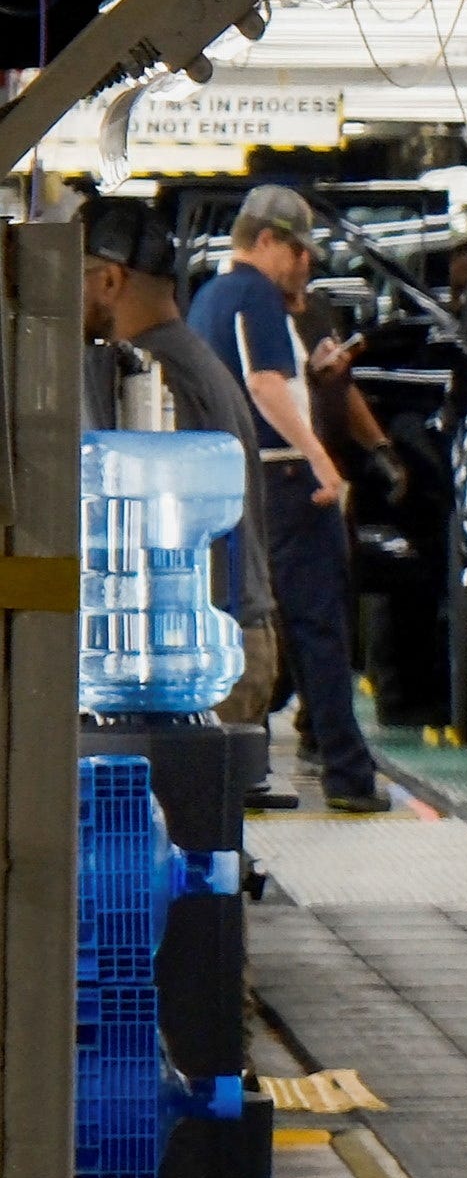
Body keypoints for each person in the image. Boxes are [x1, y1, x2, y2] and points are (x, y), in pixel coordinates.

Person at [190, 181, 387, 814]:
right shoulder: (256, 296)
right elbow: (267, 384)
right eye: (299, 252)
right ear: (268, 241)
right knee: (319, 628)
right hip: (284, 481)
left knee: (244, 621)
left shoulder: (209, 299)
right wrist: (324, 465)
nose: (305, 266)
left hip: (233, 483)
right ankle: (349, 777)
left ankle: (242, 765)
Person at [77, 197, 277, 733]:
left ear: (111, 281)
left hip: (196, 657)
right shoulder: (185, 359)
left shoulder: (145, 375)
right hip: (213, 642)